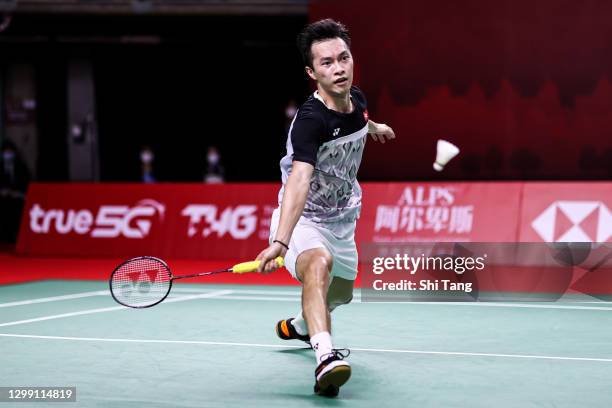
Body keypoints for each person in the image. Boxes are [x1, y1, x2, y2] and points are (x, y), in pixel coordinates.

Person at [256, 19, 395, 397]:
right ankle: (325, 358)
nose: (338, 68)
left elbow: (357, 121)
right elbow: (300, 179)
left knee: (342, 295)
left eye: (343, 58)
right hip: (306, 221)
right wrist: (282, 242)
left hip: (344, 218)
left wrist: (376, 127)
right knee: (317, 265)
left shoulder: (359, 100)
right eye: (327, 63)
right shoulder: (310, 121)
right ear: (311, 72)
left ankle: (303, 325)